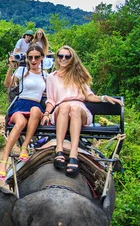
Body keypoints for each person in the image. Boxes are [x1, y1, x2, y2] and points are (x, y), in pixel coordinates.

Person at [40, 45, 123, 178]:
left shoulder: (78, 76)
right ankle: (59, 149)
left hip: (78, 109)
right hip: (61, 109)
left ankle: (73, 154)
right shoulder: (51, 77)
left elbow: (89, 96)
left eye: (67, 56)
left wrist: (103, 98)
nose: (63, 59)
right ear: (57, 58)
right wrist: (46, 113)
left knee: (75, 108)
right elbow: (51, 99)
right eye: (60, 56)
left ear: (72, 58)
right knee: (65, 106)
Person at [0, 43, 46, 180]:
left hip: (36, 106)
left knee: (35, 111)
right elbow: (8, 84)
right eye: (30, 58)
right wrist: (11, 68)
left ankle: (25, 146)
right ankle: (3, 161)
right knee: (20, 122)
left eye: (36, 57)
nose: (33, 60)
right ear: (27, 58)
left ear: (42, 58)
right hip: (21, 104)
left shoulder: (46, 75)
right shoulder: (22, 71)